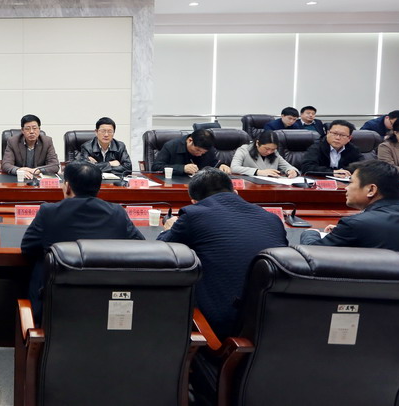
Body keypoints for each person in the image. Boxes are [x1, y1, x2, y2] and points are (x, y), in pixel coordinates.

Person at [156, 168, 288, 337]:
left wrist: (170, 228)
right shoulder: (272, 219)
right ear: (236, 192)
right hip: (274, 321)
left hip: (222, 324)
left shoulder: (194, 215)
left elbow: (162, 253)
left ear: (194, 201)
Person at [21, 161, 144, 316]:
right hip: (106, 307)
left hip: (57, 309)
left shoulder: (49, 212)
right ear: (98, 188)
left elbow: (27, 248)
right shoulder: (117, 213)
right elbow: (140, 248)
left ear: (67, 186)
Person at [300, 160, 399, 257]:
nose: (346, 188)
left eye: (350, 182)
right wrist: (342, 233)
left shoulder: (356, 224)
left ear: (371, 190)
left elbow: (312, 254)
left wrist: (311, 233)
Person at [150, 129, 231, 176]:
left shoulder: (209, 149)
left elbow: (214, 164)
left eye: (203, 152)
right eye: (198, 150)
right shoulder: (171, 146)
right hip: (175, 185)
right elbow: (156, 167)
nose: (200, 154)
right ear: (190, 140)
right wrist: (182, 168)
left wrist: (221, 166)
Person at [230, 131, 298, 178]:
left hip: (271, 186)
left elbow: (288, 166)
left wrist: (292, 171)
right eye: (266, 148)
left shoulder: (274, 152)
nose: (269, 152)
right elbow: (234, 168)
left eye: (273, 149)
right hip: (250, 185)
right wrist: (258, 172)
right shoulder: (244, 150)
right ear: (257, 143)